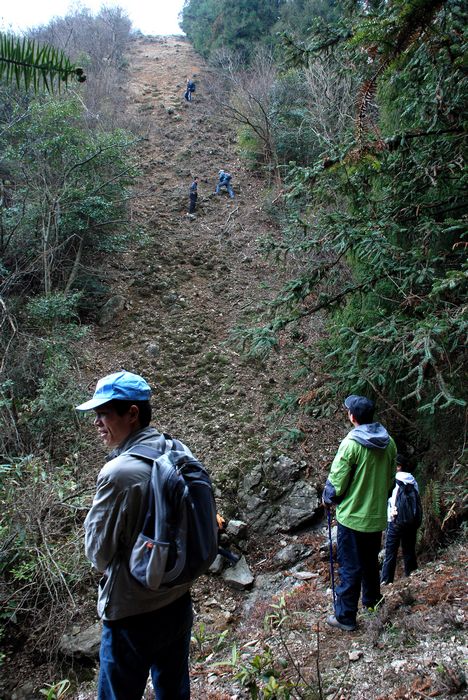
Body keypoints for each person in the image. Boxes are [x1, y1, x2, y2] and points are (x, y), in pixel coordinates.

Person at [76, 371, 194, 700]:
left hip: (131, 613)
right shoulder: (176, 449)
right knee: (173, 691)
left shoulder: (119, 473)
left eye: (104, 413)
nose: (97, 422)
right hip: (177, 598)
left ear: (132, 413)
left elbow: (97, 553)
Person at [322, 395, 396, 631]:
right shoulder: (389, 443)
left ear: (352, 417)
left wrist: (328, 498)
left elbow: (337, 481)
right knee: (370, 563)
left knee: (350, 567)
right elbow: (390, 482)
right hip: (375, 518)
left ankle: (345, 617)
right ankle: (373, 603)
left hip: (352, 517)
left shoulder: (351, 444)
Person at [380, 454, 420, 584]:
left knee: (390, 553)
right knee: (409, 551)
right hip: (411, 522)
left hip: (394, 521)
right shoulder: (413, 481)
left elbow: (389, 500)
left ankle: (386, 581)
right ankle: (412, 577)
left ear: (398, 467)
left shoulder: (393, 480)